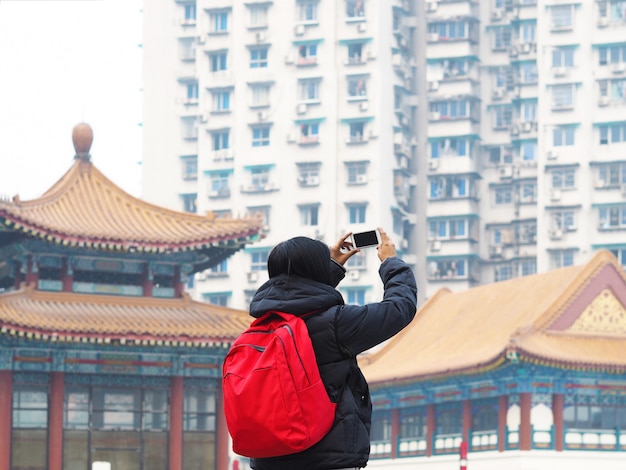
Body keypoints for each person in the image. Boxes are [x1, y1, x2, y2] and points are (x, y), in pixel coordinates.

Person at [248, 228, 418, 470]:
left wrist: (329, 269)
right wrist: (391, 263)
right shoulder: (336, 324)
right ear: (315, 271)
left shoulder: (260, 327)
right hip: (326, 459)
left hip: (269, 458)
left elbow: (297, 296)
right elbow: (399, 309)